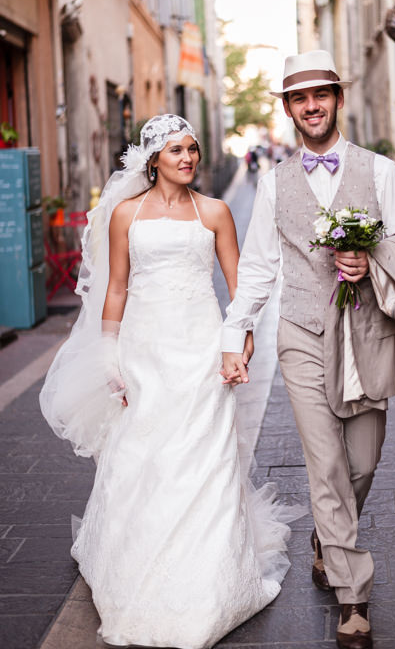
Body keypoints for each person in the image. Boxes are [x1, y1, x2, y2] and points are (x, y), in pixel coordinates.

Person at [40, 115, 300, 649]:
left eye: (193, 149)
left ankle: (210, 580)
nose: (187, 158)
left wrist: (241, 339)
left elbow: (239, 285)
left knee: (206, 457)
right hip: (144, 351)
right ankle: (136, 565)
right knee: (145, 456)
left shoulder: (217, 213)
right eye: (175, 150)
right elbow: (115, 288)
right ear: (153, 159)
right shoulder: (126, 216)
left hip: (201, 348)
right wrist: (109, 352)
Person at [222, 51, 395, 649]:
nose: (311, 106)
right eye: (298, 98)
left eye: (321, 95)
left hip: (368, 337)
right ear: (288, 109)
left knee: (362, 461)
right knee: (327, 466)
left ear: (337, 98)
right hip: (304, 336)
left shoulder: (380, 171)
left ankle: (325, 538)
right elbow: (258, 267)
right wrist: (236, 332)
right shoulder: (274, 182)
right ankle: (352, 595)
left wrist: (371, 259)